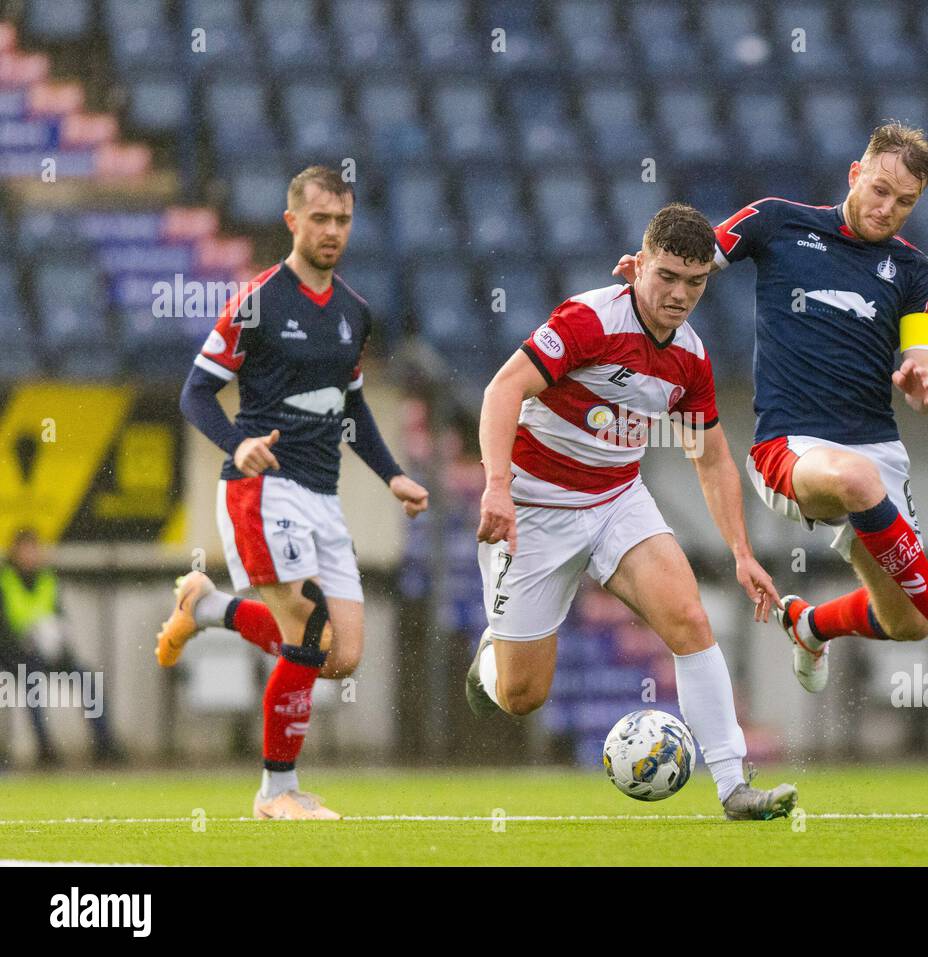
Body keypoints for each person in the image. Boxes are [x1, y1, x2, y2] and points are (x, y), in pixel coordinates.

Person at [614, 123, 928, 698]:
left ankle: (811, 626)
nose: (888, 209)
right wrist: (645, 276)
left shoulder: (914, 272)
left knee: (906, 621)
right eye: (880, 190)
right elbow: (694, 257)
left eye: (905, 201)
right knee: (860, 485)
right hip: (789, 449)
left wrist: (923, 379)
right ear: (855, 174)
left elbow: (922, 352)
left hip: (877, 449)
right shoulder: (778, 221)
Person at [470, 203, 797, 820]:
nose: (679, 294)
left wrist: (742, 553)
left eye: (695, 282)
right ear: (639, 265)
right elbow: (503, 389)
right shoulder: (588, 320)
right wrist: (494, 487)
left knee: (689, 618)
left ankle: (734, 786)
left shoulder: (690, 360)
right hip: (534, 504)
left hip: (617, 499)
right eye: (667, 276)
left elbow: (711, 458)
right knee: (520, 695)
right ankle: (488, 661)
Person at [158, 165, 429, 819]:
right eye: (320, 219)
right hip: (262, 489)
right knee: (308, 628)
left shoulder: (355, 313)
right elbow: (195, 391)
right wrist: (236, 445)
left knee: (341, 655)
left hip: (323, 495)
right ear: (292, 222)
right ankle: (277, 790)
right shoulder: (256, 301)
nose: (332, 231)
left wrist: (391, 472)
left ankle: (209, 607)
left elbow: (352, 406)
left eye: (342, 220)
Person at [0, 528, 125, 766]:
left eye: (33, 550)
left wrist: (58, 647)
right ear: (15, 553)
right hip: (14, 656)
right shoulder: (4, 580)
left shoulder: (48, 579)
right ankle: (46, 748)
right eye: (25, 551)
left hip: (46, 652)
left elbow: (58, 619)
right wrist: (24, 646)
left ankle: (105, 743)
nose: (30, 556)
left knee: (86, 678)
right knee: (32, 681)